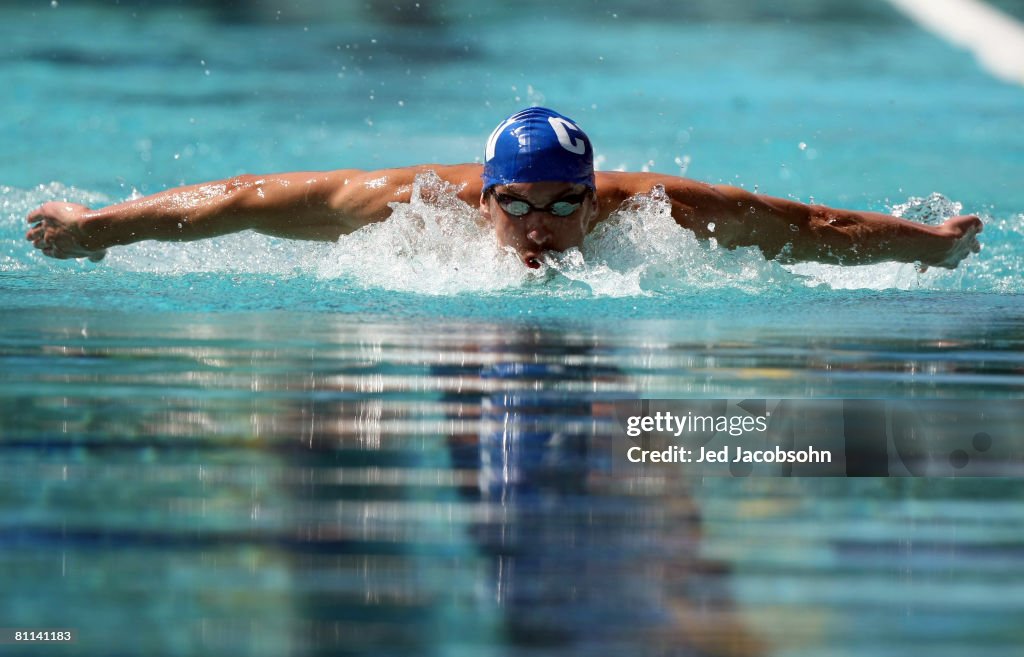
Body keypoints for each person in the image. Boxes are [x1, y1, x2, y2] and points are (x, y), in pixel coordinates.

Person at [26, 107, 981, 271]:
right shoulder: (408, 207)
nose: (541, 228)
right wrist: (98, 225)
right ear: (481, 196)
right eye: (515, 205)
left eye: (566, 204)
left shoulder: (647, 211)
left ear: (593, 194)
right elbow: (238, 198)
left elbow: (807, 226)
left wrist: (929, 246)